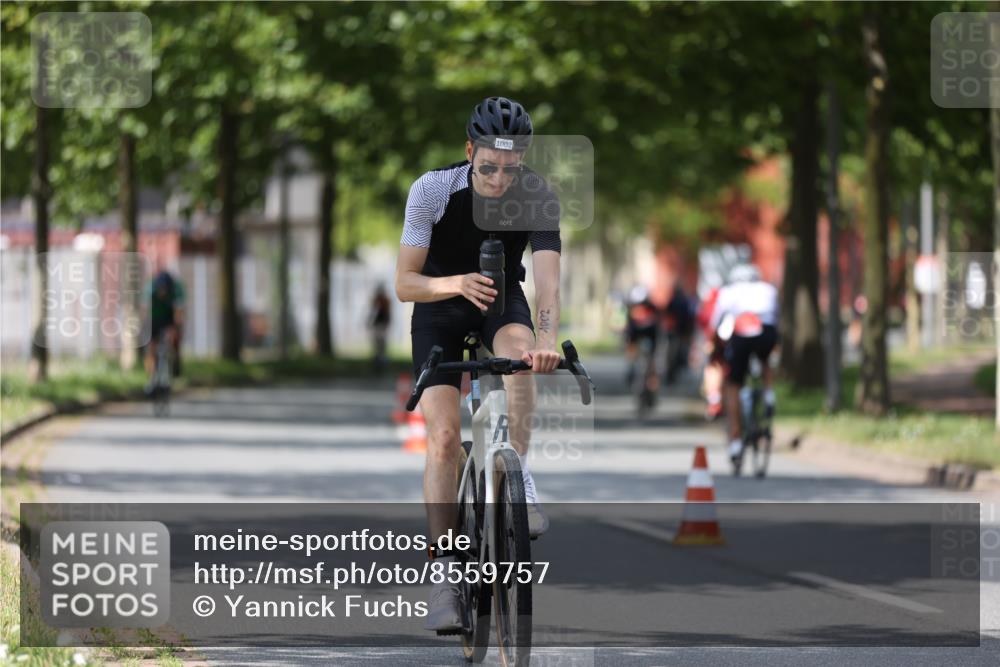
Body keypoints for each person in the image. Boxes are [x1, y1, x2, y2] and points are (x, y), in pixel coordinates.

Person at [394, 96, 561, 632]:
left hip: (499, 301)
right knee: (443, 438)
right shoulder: (432, 190)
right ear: (470, 152)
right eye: (489, 166)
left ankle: (520, 474)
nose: (499, 179)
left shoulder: (537, 195)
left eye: (511, 168)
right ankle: (442, 569)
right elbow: (404, 282)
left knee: (521, 353)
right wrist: (454, 283)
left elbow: (548, 281)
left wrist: (550, 338)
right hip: (438, 304)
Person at [709, 264, 779, 465]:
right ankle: (768, 394)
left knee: (733, 384)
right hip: (766, 331)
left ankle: (736, 440)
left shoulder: (728, 292)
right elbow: (776, 318)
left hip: (741, 334)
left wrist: (715, 349)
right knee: (766, 359)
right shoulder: (768, 289)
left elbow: (716, 323)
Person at [144, 269, 185, 393]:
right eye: (160, 290)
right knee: (151, 347)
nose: (163, 293)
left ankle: (175, 363)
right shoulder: (150, 290)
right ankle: (151, 378)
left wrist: (176, 329)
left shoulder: (176, 290)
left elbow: (179, 313)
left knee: (174, 337)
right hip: (154, 317)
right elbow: (145, 311)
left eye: (165, 290)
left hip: (169, 316)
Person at [623, 284, 659, 396]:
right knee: (632, 353)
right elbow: (628, 329)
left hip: (650, 336)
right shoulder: (630, 309)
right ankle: (632, 371)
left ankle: (652, 386)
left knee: (651, 361)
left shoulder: (652, 308)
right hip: (635, 336)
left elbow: (657, 327)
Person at [368, 284, 392, 375]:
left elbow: (387, 314)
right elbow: (373, 313)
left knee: (381, 346)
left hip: (381, 325)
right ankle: (377, 363)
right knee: (377, 346)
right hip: (377, 325)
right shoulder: (376, 300)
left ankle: (381, 363)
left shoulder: (385, 301)